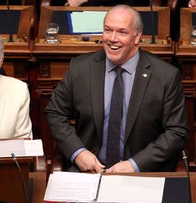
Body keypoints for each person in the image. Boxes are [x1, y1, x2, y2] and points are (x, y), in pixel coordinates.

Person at [45, 5, 189, 173]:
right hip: (88, 171)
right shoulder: (80, 68)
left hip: (144, 173)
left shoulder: (166, 76)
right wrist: (78, 153)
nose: (112, 38)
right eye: (108, 30)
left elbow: (177, 131)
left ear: (137, 37)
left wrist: (135, 165)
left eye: (122, 32)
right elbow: (55, 112)